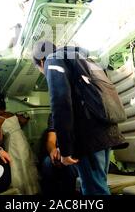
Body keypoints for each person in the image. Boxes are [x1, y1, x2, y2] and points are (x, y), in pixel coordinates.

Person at [31, 41, 127, 195]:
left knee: (94, 191)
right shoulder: (81, 59)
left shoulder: (52, 60)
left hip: (89, 136)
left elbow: (61, 102)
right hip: (107, 131)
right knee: (99, 185)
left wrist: (66, 151)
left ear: (41, 62)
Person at [0, 96, 41, 195]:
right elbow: (24, 121)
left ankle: (21, 191)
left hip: (12, 143)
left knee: (16, 166)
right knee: (26, 163)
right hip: (22, 140)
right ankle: (31, 191)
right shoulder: (12, 114)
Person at [39, 113, 78, 196]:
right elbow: (51, 140)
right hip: (60, 152)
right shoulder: (55, 114)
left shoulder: (83, 113)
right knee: (47, 163)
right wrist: (53, 151)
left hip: (77, 153)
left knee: (70, 167)